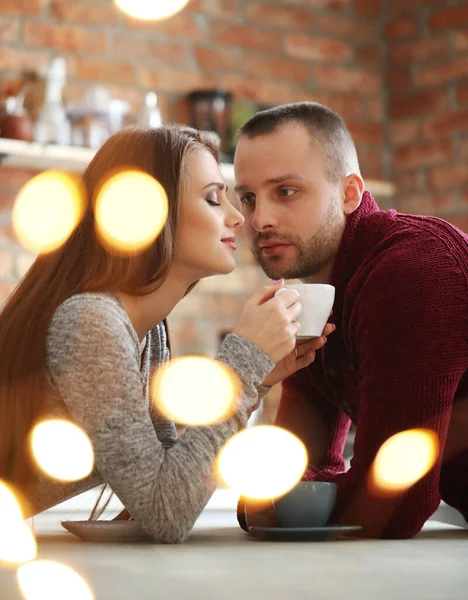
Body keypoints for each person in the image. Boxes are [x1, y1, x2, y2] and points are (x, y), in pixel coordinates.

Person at [0, 125, 333, 543]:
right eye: (213, 198)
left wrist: (258, 378)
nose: (237, 217)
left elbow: (166, 485)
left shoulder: (148, 332)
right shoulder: (90, 321)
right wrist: (243, 362)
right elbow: (166, 512)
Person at [234, 101, 468, 539]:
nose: (259, 220)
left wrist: (267, 503)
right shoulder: (315, 297)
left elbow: (394, 503)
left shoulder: (415, 268)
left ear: (349, 192)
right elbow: (295, 473)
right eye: (248, 197)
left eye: (285, 191)